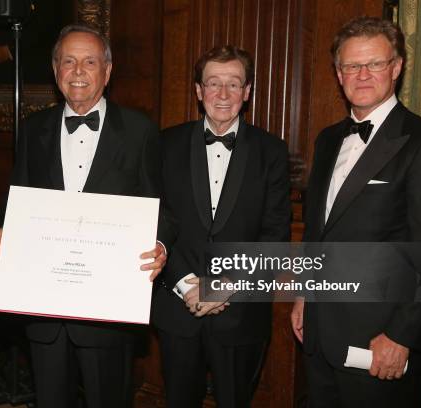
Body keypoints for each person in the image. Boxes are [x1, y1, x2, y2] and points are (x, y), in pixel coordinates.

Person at [0, 24, 167, 408]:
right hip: (44, 310)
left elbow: (161, 205)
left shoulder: (140, 131)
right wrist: (6, 229)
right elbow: (18, 200)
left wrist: (161, 244)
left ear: (108, 70)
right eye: (68, 61)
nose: (79, 70)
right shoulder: (32, 129)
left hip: (110, 309)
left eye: (89, 61)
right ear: (55, 72)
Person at [290, 16, 421, 408]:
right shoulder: (328, 139)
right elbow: (318, 232)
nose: (362, 75)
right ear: (338, 73)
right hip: (319, 335)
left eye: (374, 64)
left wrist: (402, 337)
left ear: (396, 67)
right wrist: (304, 295)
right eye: (350, 65)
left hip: (381, 343)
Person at [151, 45, 292, 408]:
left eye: (234, 84)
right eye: (214, 83)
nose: (223, 94)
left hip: (241, 312)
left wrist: (220, 288)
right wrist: (186, 284)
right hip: (177, 308)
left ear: (247, 93)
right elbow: (157, 220)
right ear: (198, 91)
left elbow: (274, 235)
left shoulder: (272, 152)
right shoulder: (165, 144)